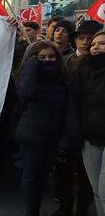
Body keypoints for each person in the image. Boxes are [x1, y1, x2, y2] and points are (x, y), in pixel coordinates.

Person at [53, 21, 103, 216]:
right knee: (66, 173)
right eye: (82, 39)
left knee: (91, 183)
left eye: (91, 39)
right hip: (74, 129)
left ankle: (81, 209)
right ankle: (66, 208)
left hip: (94, 133)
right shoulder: (69, 61)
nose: (87, 43)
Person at [16, 41, 68, 216]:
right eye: (42, 57)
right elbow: (24, 93)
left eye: (51, 57)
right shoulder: (29, 76)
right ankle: (32, 212)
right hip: (32, 135)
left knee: (44, 176)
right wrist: (32, 65)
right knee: (31, 175)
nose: (47, 60)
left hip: (53, 135)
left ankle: (36, 207)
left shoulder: (62, 76)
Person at [68, 30, 105, 216]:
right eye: (93, 44)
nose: (96, 47)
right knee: (97, 191)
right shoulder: (81, 70)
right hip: (90, 139)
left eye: (102, 43)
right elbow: (74, 104)